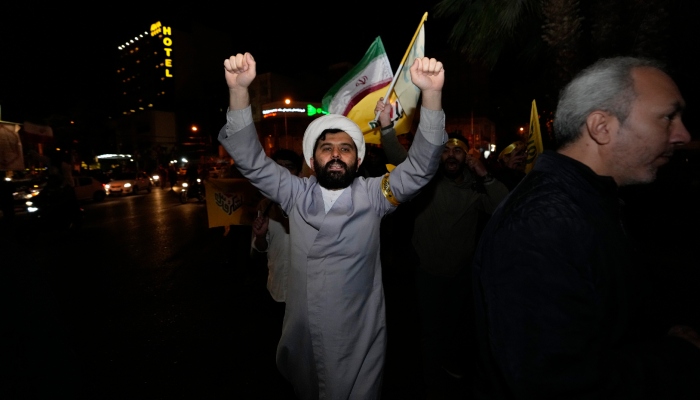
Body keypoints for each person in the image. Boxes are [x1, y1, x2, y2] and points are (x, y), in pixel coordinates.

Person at [219, 51, 446, 400]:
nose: (336, 154)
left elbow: (420, 169)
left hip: (358, 336)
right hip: (304, 334)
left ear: (357, 161)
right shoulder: (294, 193)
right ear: (313, 160)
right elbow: (251, 161)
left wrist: (431, 95)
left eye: (345, 149)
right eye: (327, 148)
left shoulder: (374, 195)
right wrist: (238, 93)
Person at [472, 56, 700, 399]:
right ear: (602, 126)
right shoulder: (542, 223)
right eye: (667, 117)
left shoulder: (587, 201)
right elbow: (556, 382)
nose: (682, 135)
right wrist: (675, 354)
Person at [375, 99, 509, 397]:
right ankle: (431, 382)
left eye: (458, 150)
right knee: (430, 332)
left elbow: (504, 207)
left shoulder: (476, 189)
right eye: (446, 149)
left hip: (462, 276)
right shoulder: (426, 181)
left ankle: (452, 368)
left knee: (460, 329)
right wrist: (386, 127)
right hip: (428, 274)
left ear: (466, 157)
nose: (451, 155)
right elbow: (400, 157)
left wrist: (483, 173)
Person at [250, 148, 303, 304]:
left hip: (306, 295)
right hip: (276, 289)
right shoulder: (264, 205)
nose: (283, 172)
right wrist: (260, 236)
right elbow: (261, 247)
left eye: (289, 167)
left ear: (299, 174)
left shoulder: (310, 205)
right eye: (278, 166)